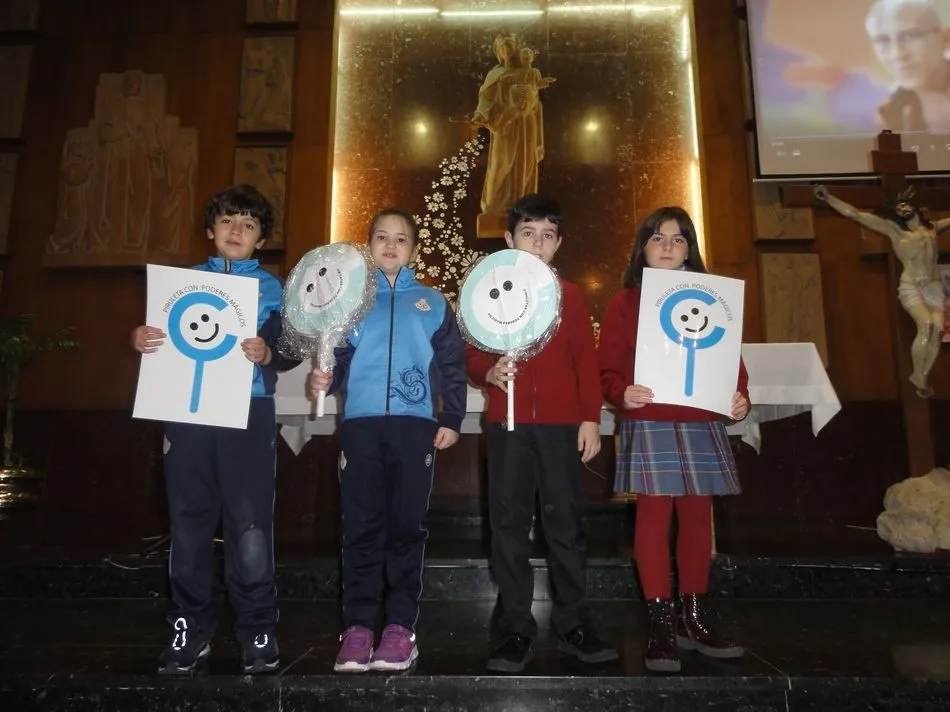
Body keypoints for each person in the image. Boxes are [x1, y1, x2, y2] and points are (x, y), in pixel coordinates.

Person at [131, 184, 298, 675]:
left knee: (250, 527)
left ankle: (257, 631)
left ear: (260, 239)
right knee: (188, 526)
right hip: (186, 415)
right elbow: (158, 340)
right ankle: (189, 629)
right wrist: (139, 338)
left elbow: (290, 349)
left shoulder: (276, 288)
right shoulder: (179, 285)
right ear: (211, 230)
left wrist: (270, 353)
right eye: (228, 221)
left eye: (249, 224)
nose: (237, 230)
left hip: (249, 413)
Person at [309, 208, 467, 673]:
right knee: (360, 528)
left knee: (405, 528)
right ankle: (357, 628)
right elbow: (336, 360)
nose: (391, 246)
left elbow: (453, 367)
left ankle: (400, 629)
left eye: (401, 239)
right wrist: (326, 379)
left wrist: (452, 416)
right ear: (369, 246)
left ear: (414, 250)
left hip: (414, 426)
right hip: (360, 426)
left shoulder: (434, 303)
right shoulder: (351, 303)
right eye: (382, 237)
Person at [465, 193, 618, 673]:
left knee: (565, 527)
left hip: (559, 425)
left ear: (558, 244)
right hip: (506, 426)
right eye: (527, 234)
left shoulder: (570, 295)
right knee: (508, 526)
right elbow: (468, 349)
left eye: (547, 236)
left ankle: (574, 623)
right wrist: (487, 372)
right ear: (509, 239)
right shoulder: (487, 288)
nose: (537, 243)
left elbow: (584, 360)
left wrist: (590, 417)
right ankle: (514, 626)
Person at [598, 206, 750, 674]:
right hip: (651, 418)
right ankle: (661, 622)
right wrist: (621, 391)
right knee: (653, 516)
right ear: (642, 248)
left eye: (679, 238)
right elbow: (610, 366)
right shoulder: (626, 301)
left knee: (698, 517)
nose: (668, 245)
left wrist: (741, 394)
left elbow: (729, 356)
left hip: (700, 418)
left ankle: (695, 618)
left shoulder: (713, 296)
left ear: (690, 248)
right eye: (658, 237)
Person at [815, 183, 950, 397]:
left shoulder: (933, 228)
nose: (903, 210)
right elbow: (857, 214)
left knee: (938, 330)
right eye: (898, 207)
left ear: (914, 206)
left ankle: (921, 375)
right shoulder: (894, 230)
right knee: (926, 325)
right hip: (912, 285)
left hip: (934, 287)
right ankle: (919, 375)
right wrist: (829, 198)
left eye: (905, 205)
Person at [472, 35, 553, 219]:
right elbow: (486, 100)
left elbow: (536, 104)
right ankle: (494, 206)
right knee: (500, 165)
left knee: (523, 164)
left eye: (510, 46)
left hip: (525, 125)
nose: (507, 51)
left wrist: (539, 141)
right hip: (503, 126)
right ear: (499, 52)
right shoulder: (495, 74)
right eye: (503, 48)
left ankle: (521, 207)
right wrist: (480, 115)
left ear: (516, 48)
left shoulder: (529, 72)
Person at [866, 0, 950, 131]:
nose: (897, 54)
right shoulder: (889, 112)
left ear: (945, 38)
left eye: (911, 35)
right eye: (883, 41)